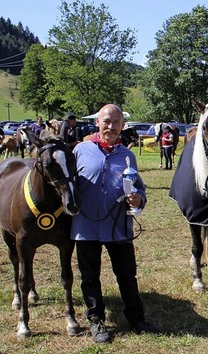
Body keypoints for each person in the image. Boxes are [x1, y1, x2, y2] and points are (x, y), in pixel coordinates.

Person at [71, 104, 158, 343]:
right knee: (90, 277)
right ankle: (96, 321)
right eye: (107, 121)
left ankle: (136, 319)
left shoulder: (127, 155)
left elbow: (139, 188)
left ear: (122, 126)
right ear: (98, 122)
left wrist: (138, 198)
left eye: (116, 122)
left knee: (127, 275)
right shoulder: (80, 151)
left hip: (118, 226)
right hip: (86, 228)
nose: (111, 126)